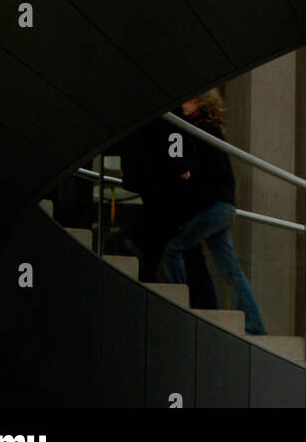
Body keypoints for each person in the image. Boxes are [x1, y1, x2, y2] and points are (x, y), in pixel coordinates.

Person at [160, 89, 267, 335]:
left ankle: (179, 306)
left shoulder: (204, 132)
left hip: (215, 207)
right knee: (231, 271)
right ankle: (255, 326)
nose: (184, 104)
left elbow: (206, 170)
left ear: (202, 103)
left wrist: (189, 173)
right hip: (223, 207)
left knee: (173, 249)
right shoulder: (210, 131)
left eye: (189, 99)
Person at [114, 120, 219, 308]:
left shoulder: (150, 123)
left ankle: (192, 299)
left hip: (160, 186)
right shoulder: (170, 122)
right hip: (167, 187)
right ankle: (198, 301)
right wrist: (180, 167)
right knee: (179, 247)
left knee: (167, 243)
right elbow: (173, 140)